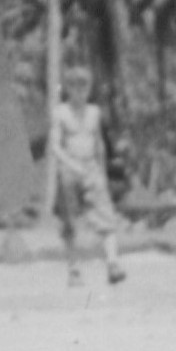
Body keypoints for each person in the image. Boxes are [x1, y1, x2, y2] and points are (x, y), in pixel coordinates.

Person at [49, 75, 126, 288]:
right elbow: (55, 146)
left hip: (91, 169)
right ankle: (74, 270)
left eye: (84, 87)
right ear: (69, 88)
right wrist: (72, 166)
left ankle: (113, 264)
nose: (80, 92)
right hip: (69, 170)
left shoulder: (94, 113)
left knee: (106, 217)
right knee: (70, 222)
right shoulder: (61, 113)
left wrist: (101, 172)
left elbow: (99, 143)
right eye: (75, 87)